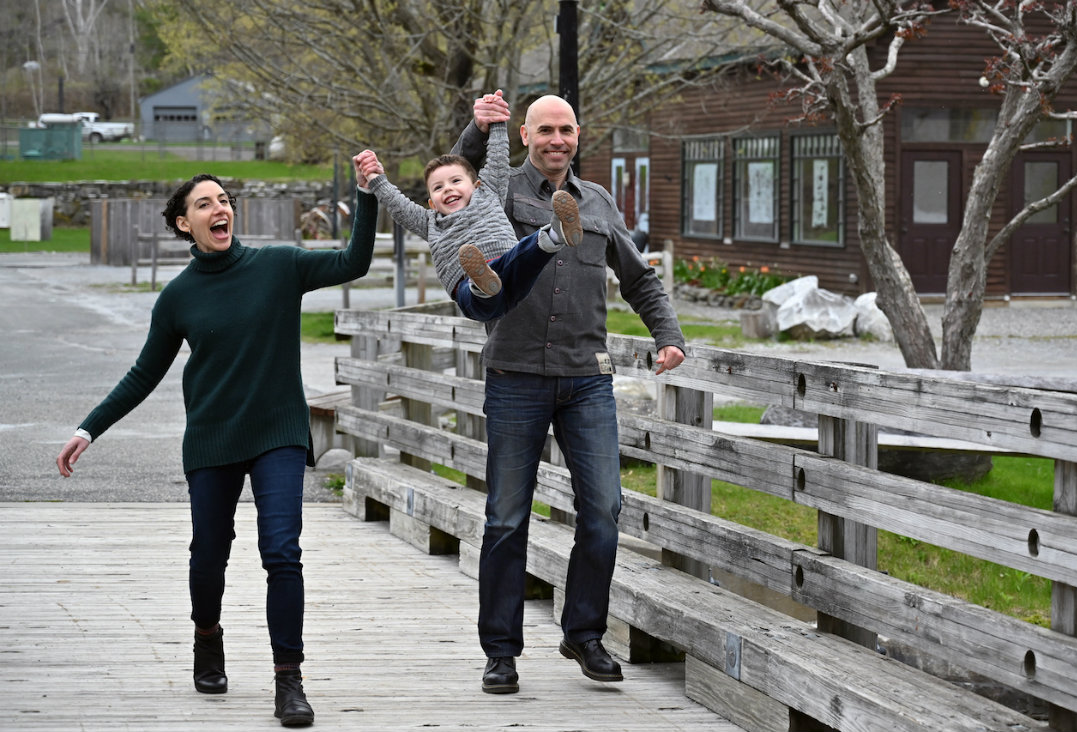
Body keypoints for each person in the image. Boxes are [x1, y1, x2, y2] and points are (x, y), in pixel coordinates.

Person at [55, 168, 379, 727]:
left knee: (282, 551)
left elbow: (354, 262)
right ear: (185, 224)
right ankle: (207, 636)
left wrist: (366, 194)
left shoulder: (279, 266)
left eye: (223, 199)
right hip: (212, 437)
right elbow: (143, 374)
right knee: (209, 553)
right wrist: (88, 429)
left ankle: (289, 680)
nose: (218, 208)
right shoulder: (178, 297)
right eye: (204, 204)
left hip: (278, 431)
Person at [451, 91, 687, 694]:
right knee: (506, 518)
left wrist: (668, 336)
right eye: (545, 130)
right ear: (525, 135)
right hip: (515, 377)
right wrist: (477, 130)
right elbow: (453, 183)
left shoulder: (598, 202)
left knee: (604, 511)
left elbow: (639, 279)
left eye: (566, 130)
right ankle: (500, 652)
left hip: (587, 379)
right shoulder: (498, 192)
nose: (556, 140)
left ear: (578, 135)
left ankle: (583, 633)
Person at [355, 93, 582, 322]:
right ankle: (480, 284)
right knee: (475, 294)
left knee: (524, 255)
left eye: (455, 181)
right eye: (438, 187)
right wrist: (375, 177)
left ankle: (555, 234)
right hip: (467, 286)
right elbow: (398, 205)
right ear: (432, 203)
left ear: (475, 184)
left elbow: (498, 159)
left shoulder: (489, 192)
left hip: (508, 267)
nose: (448, 189)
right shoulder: (429, 222)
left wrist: (497, 121)